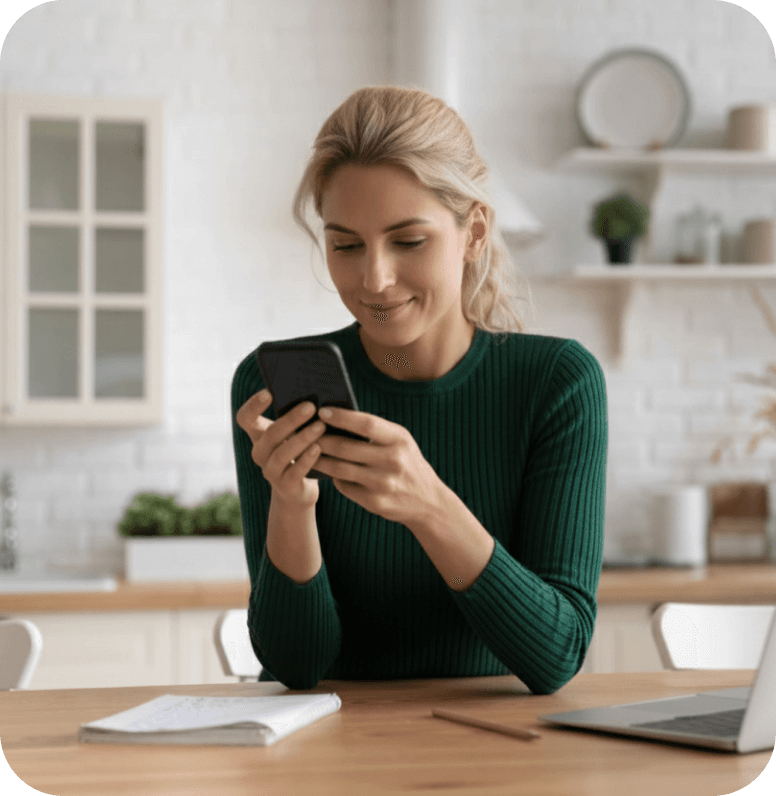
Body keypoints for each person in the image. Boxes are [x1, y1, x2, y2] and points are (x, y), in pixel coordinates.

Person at [232, 85, 608, 693]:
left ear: (475, 233)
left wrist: (428, 504)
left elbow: (556, 656)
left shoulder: (557, 384)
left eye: (409, 241)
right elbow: (296, 666)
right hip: (329, 764)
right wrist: (293, 504)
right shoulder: (268, 386)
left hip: (499, 760)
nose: (374, 279)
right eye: (345, 244)